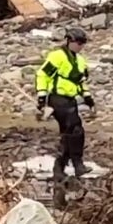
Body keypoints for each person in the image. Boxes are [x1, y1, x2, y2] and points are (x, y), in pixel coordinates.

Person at [36, 27, 95, 181]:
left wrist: (88, 98)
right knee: (75, 130)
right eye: (78, 42)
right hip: (57, 98)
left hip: (71, 99)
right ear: (69, 41)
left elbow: (81, 82)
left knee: (69, 134)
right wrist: (42, 97)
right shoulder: (57, 56)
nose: (81, 46)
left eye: (83, 43)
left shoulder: (80, 61)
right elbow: (43, 74)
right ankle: (77, 165)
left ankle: (60, 168)